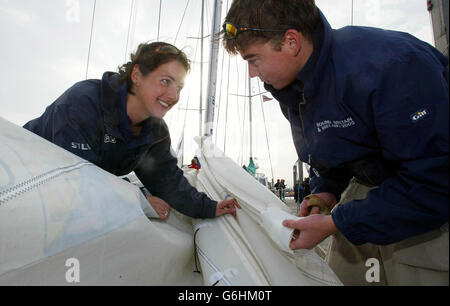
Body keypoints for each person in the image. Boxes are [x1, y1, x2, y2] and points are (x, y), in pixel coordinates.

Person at [222, 0, 448, 285]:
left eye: (253, 60)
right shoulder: (291, 90)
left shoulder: (392, 66)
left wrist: (336, 223)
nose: (252, 74)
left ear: (291, 42)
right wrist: (325, 192)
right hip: (366, 196)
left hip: (429, 203)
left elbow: (437, 177)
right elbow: (337, 152)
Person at [24, 41, 241, 221]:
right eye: (165, 81)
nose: (174, 96)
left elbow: (168, 182)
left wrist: (210, 208)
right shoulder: (84, 102)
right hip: (21, 174)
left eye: (179, 87)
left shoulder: (155, 132)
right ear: (136, 75)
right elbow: (76, 176)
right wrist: (138, 198)